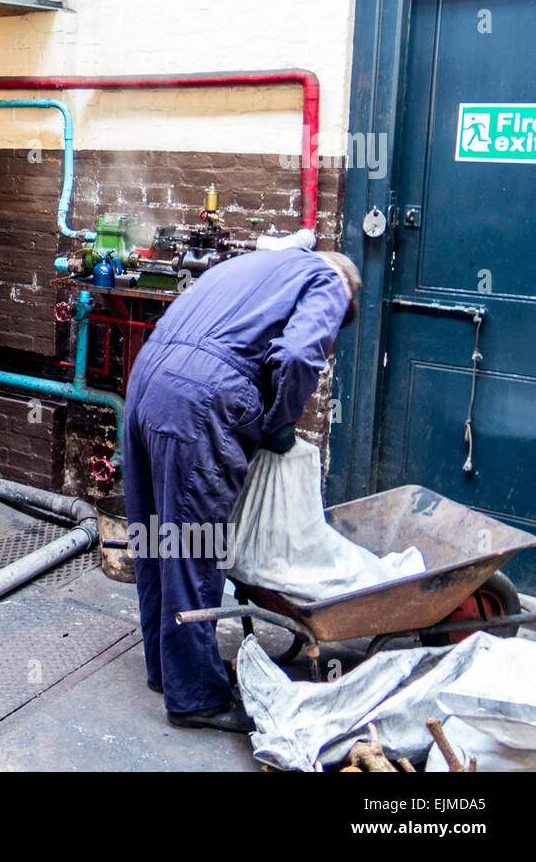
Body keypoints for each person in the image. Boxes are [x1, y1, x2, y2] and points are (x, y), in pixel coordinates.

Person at [123, 247, 362, 732]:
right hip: (201, 398)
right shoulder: (329, 280)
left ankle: (165, 671)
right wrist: (280, 422)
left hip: (147, 378)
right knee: (194, 547)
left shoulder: (256, 265)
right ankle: (195, 699)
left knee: (154, 536)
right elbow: (298, 354)